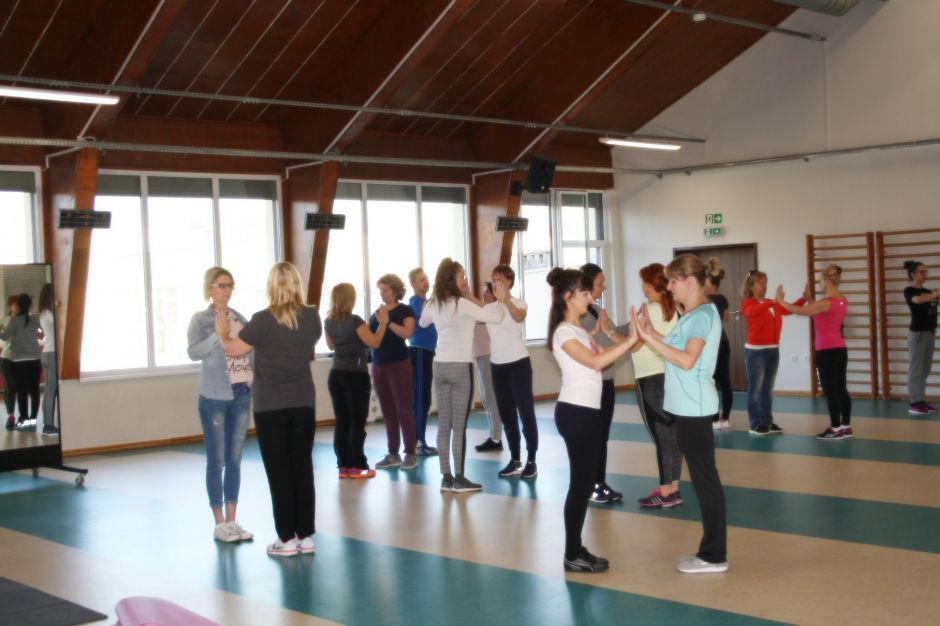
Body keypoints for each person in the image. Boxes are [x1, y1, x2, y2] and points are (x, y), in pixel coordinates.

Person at [216, 262, 321, 557]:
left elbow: (233, 349)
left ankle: (285, 539)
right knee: (302, 467)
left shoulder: (262, 320)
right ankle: (305, 536)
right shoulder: (312, 316)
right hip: (303, 402)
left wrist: (223, 334)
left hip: (271, 406)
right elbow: (308, 341)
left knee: (279, 472)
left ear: (272, 286)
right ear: (297, 285)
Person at [631, 253, 728, 574]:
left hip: (694, 407)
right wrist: (651, 333)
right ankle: (712, 552)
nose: (669, 287)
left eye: (673, 281)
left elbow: (686, 360)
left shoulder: (700, 316)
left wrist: (649, 339)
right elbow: (674, 347)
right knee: (704, 481)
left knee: (705, 482)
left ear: (689, 281)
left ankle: (714, 555)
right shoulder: (693, 314)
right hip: (689, 407)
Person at [547, 268, 639, 572]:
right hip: (575, 413)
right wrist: (630, 340)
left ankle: (576, 548)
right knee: (580, 485)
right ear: (568, 296)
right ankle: (572, 553)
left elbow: (599, 362)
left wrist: (605, 336)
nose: (591, 298)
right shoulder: (563, 332)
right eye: (585, 293)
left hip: (588, 411)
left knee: (584, 484)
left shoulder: (578, 331)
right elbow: (597, 361)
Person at [419, 258, 506, 493]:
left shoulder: (434, 304)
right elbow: (496, 317)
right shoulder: (464, 305)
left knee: (443, 424)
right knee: (458, 426)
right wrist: (499, 300)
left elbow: (423, 322)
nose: (465, 280)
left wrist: (433, 301)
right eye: (462, 276)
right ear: (452, 280)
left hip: (440, 366)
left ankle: (446, 478)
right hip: (460, 367)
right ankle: (459, 478)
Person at [187, 267, 254, 543]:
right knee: (216, 460)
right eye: (221, 285)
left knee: (235, 458)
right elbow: (193, 352)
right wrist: (218, 334)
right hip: (214, 396)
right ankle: (219, 523)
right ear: (209, 289)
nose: (226, 290)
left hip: (241, 394)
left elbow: (251, 351)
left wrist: (252, 379)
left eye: (230, 285)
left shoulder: (240, 318)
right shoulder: (200, 320)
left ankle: (232, 520)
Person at [776, 265, 852, 438]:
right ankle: (845, 427)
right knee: (841, 389)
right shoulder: (842, 300)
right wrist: (809, 299)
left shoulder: (826, 303)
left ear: (827, 281)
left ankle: (835, 429)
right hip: (840, 349)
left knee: (831, 391)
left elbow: (799, 310)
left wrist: (780, 300)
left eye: (821, 280)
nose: (820, 283)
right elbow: (821, 312)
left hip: (826, 352)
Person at [324, 283, 389, 479]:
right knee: (356, 422)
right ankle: (357, 465)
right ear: (350, 299)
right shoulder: (355, 321)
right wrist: (383, 323)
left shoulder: (328, 321)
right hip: (355, 376)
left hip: (336, 375)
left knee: (342, 421)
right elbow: (374, 342)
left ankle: (343, 466)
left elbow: (331, 345)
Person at [630, 263, 681, 508]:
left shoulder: (647, 311)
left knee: (661, 438)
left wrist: (609, 333)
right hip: (669, 376)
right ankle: (674, 489)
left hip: (649, 379)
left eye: (643, 281)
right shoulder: (673, 309)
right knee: (672, 436)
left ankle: (665, 491)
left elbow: (635, 344)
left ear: (649, 285)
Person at [578, 263, 627, 503]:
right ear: (587, 285)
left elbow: (614, 333)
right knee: (594, 437)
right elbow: (603, 342)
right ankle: (592, 484)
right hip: (592, 383)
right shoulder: (581, 315)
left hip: (606, 381)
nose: (604, 287)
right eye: (600, 283)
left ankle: (598, 483)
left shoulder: (597, 309)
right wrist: (610, 333)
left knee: (602, 436)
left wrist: (635, 325)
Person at [487, 264, 539, 480]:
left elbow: (518, 317)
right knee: (507, 415)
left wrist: (505, 299)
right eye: (493, 280)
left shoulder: (518, 303)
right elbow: (473, 308)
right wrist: (465, 294)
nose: (495, 283)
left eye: (499, 279)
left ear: (508, 281)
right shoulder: (489, 308)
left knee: (526, 413)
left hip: (518, 364)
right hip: (497, 366)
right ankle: (515, 459)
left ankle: (531, 460)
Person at [369, 274, 419, 470]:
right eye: (380, 290)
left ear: (395, 291)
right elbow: (370, 337)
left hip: (398, 364)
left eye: (386, 290)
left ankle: (411, 453)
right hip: (378, 365)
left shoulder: (405, 310)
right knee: (388, 412)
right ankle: (393, 453)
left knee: (404, 410)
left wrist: (388, 322)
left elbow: (408, 333)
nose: (382, 293)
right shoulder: (377, 313)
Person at [741, 270, 791, 435]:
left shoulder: (771, 303)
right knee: (755, 389)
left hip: (773, 350)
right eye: (760, 283)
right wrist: (774, 302)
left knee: (767, 390)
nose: (764, 286)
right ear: (751, 286)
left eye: (765, 283)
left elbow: (788, 310)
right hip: (756, 352)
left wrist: (803, 299)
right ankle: (755, 424)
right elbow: (753, 312)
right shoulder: (748, 303)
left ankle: (767, 422)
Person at [408, 267, 439, 455]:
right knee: (420, 397)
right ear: (413, 284)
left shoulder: (425, 302)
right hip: (419, 351)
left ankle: (418, 440)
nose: (426, 282)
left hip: (426, 352)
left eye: (426, 278)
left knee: (424, 397)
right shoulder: (417, 303)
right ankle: (418, 442)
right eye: (421, 280)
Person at [0, 294, 42, 432]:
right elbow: (43, 333)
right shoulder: (35, 318)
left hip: (18, 361)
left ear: (18, 305)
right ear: (30, 305)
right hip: (35, 360)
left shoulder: (14, 320)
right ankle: (33, 421)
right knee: (35, 391)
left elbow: (4, 337)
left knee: (22, 392)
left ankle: (24, 420)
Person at [903, 260, 939, 415]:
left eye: (926, 272)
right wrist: (935, 294)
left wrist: (934, 295)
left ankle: (921, 400)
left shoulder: (927, 291)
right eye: (922, 272)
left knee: (925, 369)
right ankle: (914, 402)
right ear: (913, 274)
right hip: (918, 334)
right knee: (916, 369)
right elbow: (917, 300)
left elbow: (933, 302)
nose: (925, 274)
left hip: (929, 333)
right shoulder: (909, 290)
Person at [473, 282, 503, 452]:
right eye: (484, 292)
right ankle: (493, 435)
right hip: (480, 356)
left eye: (487, 292)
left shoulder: (493, 311)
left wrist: (467, 294)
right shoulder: (482, 310)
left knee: (491, 397)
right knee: (486, 398)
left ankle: (496, 438)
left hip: (488, 355)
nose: (484, 295)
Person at [704, 258, 733, 429]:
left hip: (712, 345)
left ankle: (714, 419)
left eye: (706, 281)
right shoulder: (722, 299)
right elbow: (727, 318)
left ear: (712, 283)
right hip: (723, 342)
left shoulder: (704, 299)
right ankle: (725, 419)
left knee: (712, 381)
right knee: (725, 381)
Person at [38, 284, 59, 436]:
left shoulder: (43, 313)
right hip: (51, 353)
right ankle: (48, 426)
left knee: (48, 391)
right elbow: (60, 323)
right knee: (51, 391)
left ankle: (48, 423)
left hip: (47, 353)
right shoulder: (48, 313)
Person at [2, 296, 18, 430]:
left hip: (21, 359)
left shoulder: (25, 320)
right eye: (14, 304)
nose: (17, 307)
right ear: (10, 306)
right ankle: (11, 416)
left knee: (15, 388)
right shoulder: (5, 320)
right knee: (11, 387)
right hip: (7, 358)